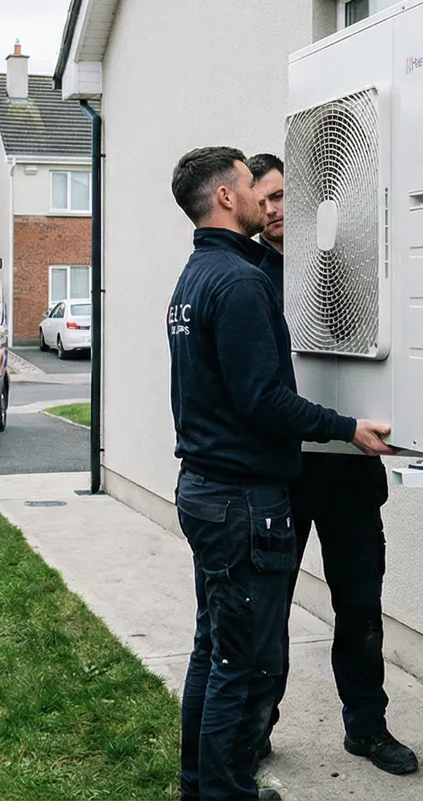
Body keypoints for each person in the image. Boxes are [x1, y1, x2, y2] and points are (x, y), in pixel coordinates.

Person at [167, 146, 394, 801]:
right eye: (254, 190)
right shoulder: (240, 281)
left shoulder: (196, 274)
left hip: (210, 486)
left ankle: (203, 784)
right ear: (229, 198)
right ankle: (224, 791)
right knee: (242, 663)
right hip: (242, 494)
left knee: (217, 650)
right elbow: (261, 398)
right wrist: (347, 426)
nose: (269, 205)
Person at [247, 153, 419, 777]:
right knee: (268, 612)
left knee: (361, 609)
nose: (272, 212)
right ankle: (257, 726)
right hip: (283, 475)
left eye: (281, 199)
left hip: (349, 466)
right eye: (262, 201)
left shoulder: (345, 268)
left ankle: (366, 728)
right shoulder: (250, 279)